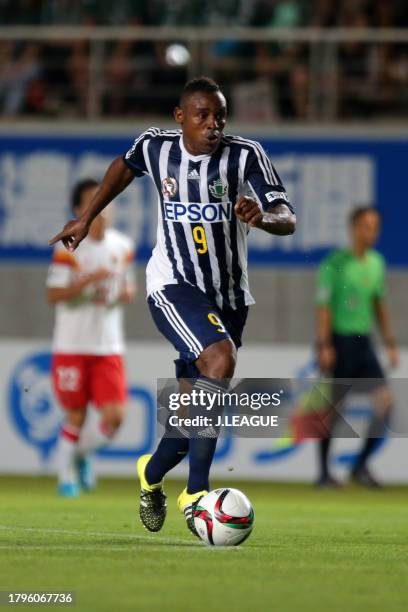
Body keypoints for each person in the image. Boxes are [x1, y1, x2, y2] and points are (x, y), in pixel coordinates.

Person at [49, 77, 296, 532]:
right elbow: (124, 167)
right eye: (202, 115)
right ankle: (197, 495)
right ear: (180, 117)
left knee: (192, 418)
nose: (213, 125)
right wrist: (85, 218)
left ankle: (150, 474)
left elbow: (288, 217)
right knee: (220, 361)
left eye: (220, 115)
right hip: (172, 285)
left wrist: (264, 218)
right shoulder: (155, 147)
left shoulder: (245, 155)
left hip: (230, 297)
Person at [47, 178, 136, 497]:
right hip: (72, 345)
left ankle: (80, 456)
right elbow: (55, 294)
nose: (101, 209)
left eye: (106, 201)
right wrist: (87, 282)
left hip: (108, 346)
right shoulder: (68, 246)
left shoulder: (122, 246)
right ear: (77, 210)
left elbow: (128, 290)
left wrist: (123, 292)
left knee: (115, 418)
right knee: (76, 414)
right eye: (91, 203)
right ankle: (65, 477)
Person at [316, 206, 399, 488]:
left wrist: (389, 342)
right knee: (335, 409)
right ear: (353, 228)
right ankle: (324, 472)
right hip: (341, 341)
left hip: (366, 342)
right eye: (366, 225)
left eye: (375, 226)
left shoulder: (377, 262)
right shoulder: (335, 262)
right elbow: (324, 307)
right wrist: (325, 345)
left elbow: (379, 304)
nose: (371, 231)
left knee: (386, 403)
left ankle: (359, 465)